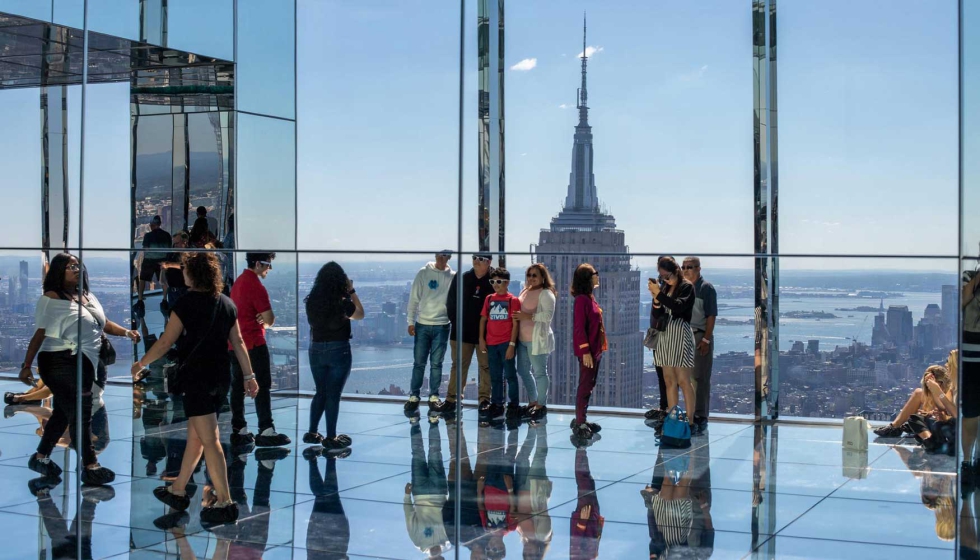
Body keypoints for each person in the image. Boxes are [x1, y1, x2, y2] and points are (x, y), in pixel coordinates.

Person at [133, 251, 259, 525]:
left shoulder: (187, 303)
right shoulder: (227, 304)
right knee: (196, 438)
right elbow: (237, 342)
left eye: (186, 269)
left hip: (197, 379)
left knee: (210, 441)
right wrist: (249, 376)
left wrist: (142, 363)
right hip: (219, 378)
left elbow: (166, 342)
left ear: (195, 274)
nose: (183, 273)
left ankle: (225, 502)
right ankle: (178, 490)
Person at [19, 253, 139, 486]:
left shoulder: (88, 296)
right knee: (81, 410)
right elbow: (40, 334)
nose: (75, 269)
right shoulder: (50, 299)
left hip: (85, 362)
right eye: (69, 266)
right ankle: (91, 465)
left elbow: (102, 324)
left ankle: (40, 457)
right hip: (58, 361)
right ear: (58, 272)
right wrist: (26, 366)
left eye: (77, 265)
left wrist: (126, 332)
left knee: (64, 412)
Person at [229, 252, 291, 448]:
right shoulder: (256, 286)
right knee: (262, 386)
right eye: (267, 265)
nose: (269, 269)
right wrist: (263, 320)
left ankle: (239, 430)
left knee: (238, 387)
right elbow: (270, 319)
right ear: (257, 264)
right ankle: (266, 430)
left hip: (235, 343)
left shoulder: (238, 283)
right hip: (254, 343)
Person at [304, 262, 365, 451]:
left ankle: (312, 432)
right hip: (339, 349)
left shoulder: (311, 300)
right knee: (333, 394)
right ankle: (331, 436)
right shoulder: (342, 302)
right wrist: (351, 291)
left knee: (320, 391)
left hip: (316, 350)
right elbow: (360, 314)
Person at [433, 253, 494, 416]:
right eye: (474, 257)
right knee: (458, 366)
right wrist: (456, 321)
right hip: (461, 332)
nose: (475, 261)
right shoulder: (463, 278)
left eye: (480, 259)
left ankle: (484, 401)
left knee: (485, 367)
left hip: (485, 335)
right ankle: (452, 400)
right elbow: (450, 301)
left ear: (488, 262)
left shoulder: (494, 281)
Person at [650, 256, 697, 434]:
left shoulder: (686, 287)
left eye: (666, 275)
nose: (664, 279)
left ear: (674, 271)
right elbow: (658, 312)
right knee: (669, 380)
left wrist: (660, 294)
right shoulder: (665, 288)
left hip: (680, 334)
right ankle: (672, 417)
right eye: (661, 277)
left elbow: (678, 307)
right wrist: (656, 298)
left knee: (684, 380)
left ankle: (690, 420)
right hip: (665, 335)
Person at [405, 251, 455, 414]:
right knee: (419, 363)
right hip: (423, 324)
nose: (441, 258)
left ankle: (434, 397)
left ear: (449, 258)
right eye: (439, 255)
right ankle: (414, 396)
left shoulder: (452, 276)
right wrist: (410, 322)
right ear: (435, 256)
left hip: (442, 325)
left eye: (444, 256)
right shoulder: (423, 273)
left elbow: (456, 301)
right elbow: (414, 298)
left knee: (437, 363)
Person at [513, 264, 556, 421]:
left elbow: (547, 317)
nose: (531, 278)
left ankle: (541, 405)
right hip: (522, 340)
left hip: (537, 340)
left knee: (540, 373)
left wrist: (527, 317)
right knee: (523, 371)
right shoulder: (525, 291)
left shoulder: (545, 293)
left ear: (543, 277)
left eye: (535, 275)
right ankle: (533, 401)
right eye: (529, 275)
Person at [479, 268, 522, 421]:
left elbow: (516, 325)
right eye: (493, 281)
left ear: (507, 282)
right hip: (491, 344)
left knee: (510, 375)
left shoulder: (513, 300)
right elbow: (483, 320)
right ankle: (497, 404)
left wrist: (511, 345)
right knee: (495, 376)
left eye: (499, 281)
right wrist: (481, 340)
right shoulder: (489, 299)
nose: (495, 285)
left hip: (505, 343)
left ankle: (514, 405)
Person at [404, 420, 451, 558]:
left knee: (417, 453)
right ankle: (434, 422)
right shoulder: (448, 537)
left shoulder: (418, 541)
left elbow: (409, 517)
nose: (437, 556)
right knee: (435, 452)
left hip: (419, 492)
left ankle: (414, 424)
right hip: (439, 491)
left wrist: (407, 496)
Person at [875, 360, 957, 438]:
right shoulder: (930, 392)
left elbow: (947, 410)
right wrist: (929, 413)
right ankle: (894, 427)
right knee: (918, 393)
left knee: (916, 419)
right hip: (936, 421)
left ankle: (927, 436)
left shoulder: (952, 389)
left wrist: (936, 391)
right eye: (928, 383)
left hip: (947, 426)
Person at [570, 264, 606, 440]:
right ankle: (580, 422)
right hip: (588, 351)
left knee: (589, 385)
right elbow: (579, 328)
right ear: (587, 278)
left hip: (595, 349)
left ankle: (582, 418)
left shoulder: (590, 298)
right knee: (585, 385)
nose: (597, 276)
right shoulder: (581, 300)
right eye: (594, 273)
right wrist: (585, 351)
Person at [682, 257, 717, 433]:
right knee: (686, 379)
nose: (686, 270)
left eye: (690, 267)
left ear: (699, 269)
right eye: (684, 267)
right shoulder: (683, 288)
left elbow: (711, 315)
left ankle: (700, 417)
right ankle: (690, 414)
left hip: (700, 337)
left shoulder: (706, 288)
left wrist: (706, 340)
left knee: (699, 378)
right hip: (684, 337)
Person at [963, 268, 980, 490]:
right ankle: (967, 461)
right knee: (971, 412)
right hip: (971, 353)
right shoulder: (969, 276)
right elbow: (963, 300)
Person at [569, 447, 604, 560]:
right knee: (588, 481)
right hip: (593, 516)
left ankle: (580, 445)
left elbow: (575, 545)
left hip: (586, 517)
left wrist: (581, 523)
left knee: (583, 481)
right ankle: (582, 448)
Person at [138, 215, 173, 304]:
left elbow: (145, 248)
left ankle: (140, 299)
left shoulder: (148, 235)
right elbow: (169, 249)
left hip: (149, 260)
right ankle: (165, 299)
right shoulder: (167, 235)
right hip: (162, 261)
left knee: (143, 279)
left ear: (152, 225)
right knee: (163, 280)